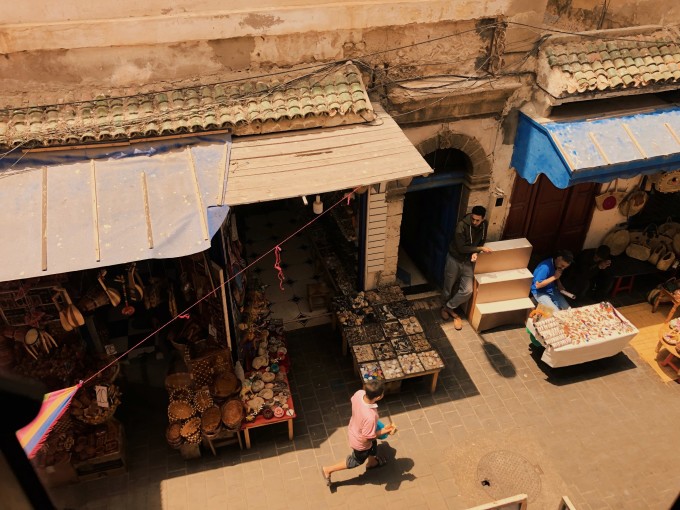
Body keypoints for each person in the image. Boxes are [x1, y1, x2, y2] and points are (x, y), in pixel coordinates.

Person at [321, 380, 396, 489]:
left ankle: (372, 462)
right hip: (360, 443)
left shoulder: (359, 393)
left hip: (354, 428)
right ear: (379, 397)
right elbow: (367, 439)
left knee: (373, 445)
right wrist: (385, 431)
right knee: (356, 460)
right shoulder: (371, 416)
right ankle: (328, 470)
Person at [441, 205, 493, 330]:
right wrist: (479, 249)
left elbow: (482, 240)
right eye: (473, 219)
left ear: (482, 219)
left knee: (468, 290)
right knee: (449, 285)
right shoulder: (461, 226)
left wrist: (475, 252)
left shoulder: (484, 225)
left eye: (477, 220)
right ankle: (444, 307)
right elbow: (461, 248)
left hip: (468, 262)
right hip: (454, 259)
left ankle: (449, 306)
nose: (475, 222)